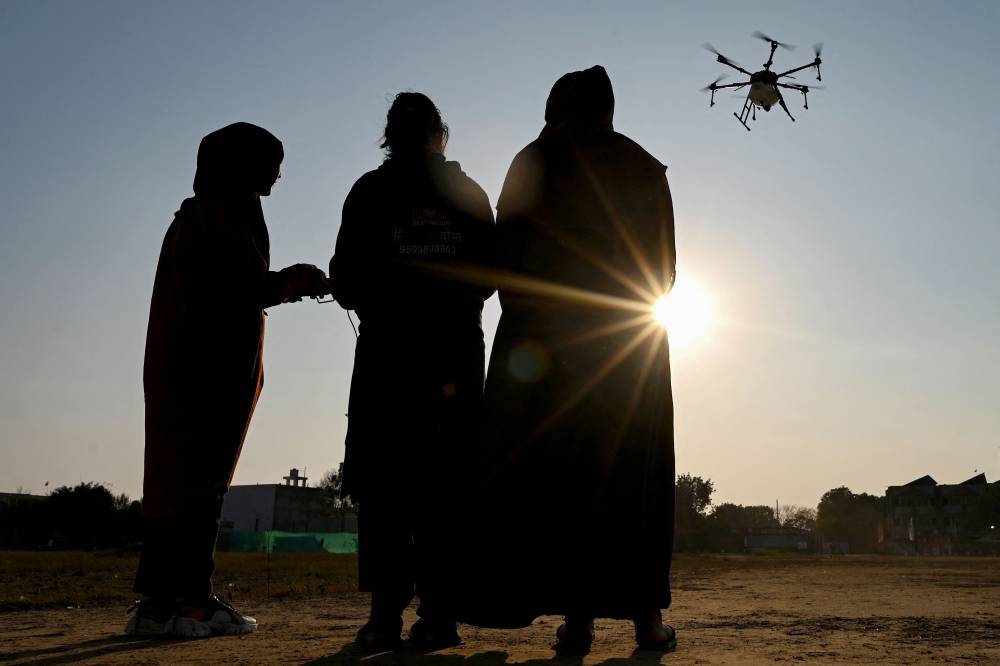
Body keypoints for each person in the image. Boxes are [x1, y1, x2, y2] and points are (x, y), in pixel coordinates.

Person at [456, 66, 678, 652]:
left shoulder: (535, 160)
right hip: (626, 347)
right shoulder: (643, 167)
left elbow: (505, 259)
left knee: (557, 482)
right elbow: (664, 271)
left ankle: (576, 622)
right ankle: (646, 619)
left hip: (544, 349)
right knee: (630, 478)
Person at [127, 122, 330, 637]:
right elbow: (239, 289)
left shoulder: (202, 218)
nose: (277, 175)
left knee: (180, 487)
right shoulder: (214, 219)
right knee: (198, 490)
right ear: (240, 167)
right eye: (270, 164)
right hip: (203, 377)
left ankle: (164, 603)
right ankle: (184, 603)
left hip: (191, 373)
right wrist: (296, 280)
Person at [330, 92, 494, 650]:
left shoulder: (368, 192)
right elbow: (491, 277)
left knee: (385, 490)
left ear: (389, 138)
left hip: (388, 361)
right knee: (447, 490)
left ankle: (383, 618)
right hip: (453, 360)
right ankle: (439, 617)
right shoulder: (469, 194)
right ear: (439, 136)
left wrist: (385, 296)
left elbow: (345, 279)